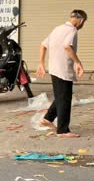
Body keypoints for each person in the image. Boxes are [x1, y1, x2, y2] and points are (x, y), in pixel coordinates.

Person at [36, 9, 87, 138]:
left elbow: (43, 45)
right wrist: (78, 62)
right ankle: (63, 130)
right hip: (63, 69)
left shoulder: (57, 28)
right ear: (81, 20)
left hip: (53, 68)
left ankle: (48, 118)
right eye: (83, 22)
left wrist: (41, 64)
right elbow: (67, 46)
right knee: (65, 99)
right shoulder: (72, 30)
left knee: (61, 96)